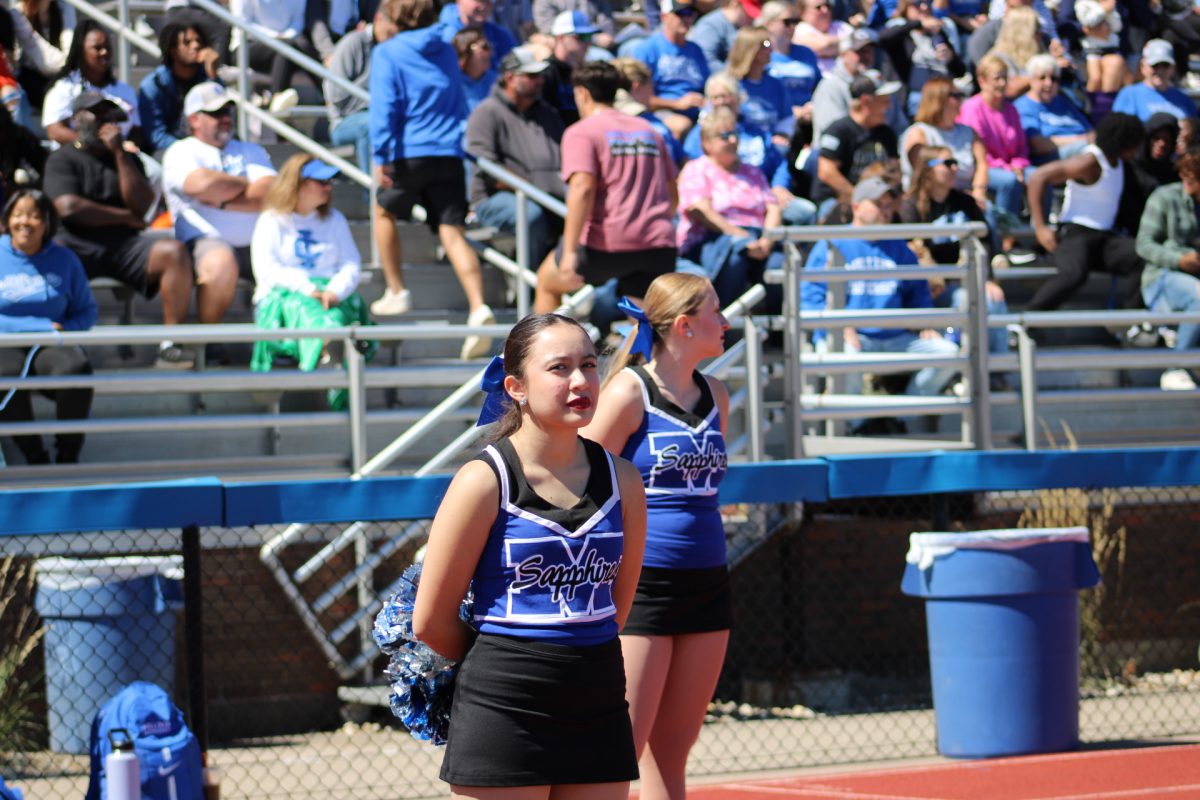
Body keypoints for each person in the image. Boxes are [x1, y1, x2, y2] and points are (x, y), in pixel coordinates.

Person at [411, 312, 646, 799]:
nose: (581, 380)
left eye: (588, 365)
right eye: (559, 368)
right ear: (516, 386)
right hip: (505, 704)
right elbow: (430, 619)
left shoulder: (624, 481)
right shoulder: (483, 481)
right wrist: (508, 663)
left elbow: (617, 607)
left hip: (598, 695)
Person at [579, 272, 731, 800]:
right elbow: (582, 482)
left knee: (672, 753)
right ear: (685, 325)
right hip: (642, 588)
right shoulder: (629, 391)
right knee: (620, 750)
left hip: (709, 585)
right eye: (717, 311)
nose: (727, 322)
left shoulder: (717, 395)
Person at [43, 94, 208, 368]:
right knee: (53, 253)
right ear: (78, 117)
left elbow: (142, 206)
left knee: (174, 252)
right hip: (76, 245)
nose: (106, 124)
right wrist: (123, 216)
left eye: (111, 118)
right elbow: (67, 207)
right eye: (99, 116)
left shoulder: (127, 158)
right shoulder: (62, 158)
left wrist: (120, 154)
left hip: (124, 246)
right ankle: (60, 344)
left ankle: (171, 344)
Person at [370, 0, 494, 354]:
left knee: (383, 211)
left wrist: (381, 156)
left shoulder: (388, 51)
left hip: (411, 152)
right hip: (450, 153)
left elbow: (385, 107)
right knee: (452, 231)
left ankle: (396, 290)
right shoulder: (447, 46)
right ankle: (477, 306)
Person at [802, 175, 960, 427]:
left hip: (894, 336)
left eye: (888, 205)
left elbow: (917, 290)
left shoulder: (898, 246)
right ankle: (856, 426)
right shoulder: (832, 242)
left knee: (949, 353)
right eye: (878, 204)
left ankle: (902, 419)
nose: (886, 211)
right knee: (845, 355)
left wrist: (924, 322)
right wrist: (837, 327)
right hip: (850, 335)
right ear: (856, 207)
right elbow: (810, 298)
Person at [535, 61, 678, 314]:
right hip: (657, 243)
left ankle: (539, 353)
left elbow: (583, 189)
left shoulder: (581, 132)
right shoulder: (649, 130)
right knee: (645, 322)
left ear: (582, 93)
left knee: (547, 283)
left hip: (606, 245)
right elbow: (672, 190)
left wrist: (569, 252)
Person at [249, 155, 374, 405]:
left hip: (331, 294)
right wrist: (307, 288)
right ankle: (331, 354)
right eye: (321, 181)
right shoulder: (272, 219)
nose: (328, 187)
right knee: (315, 312)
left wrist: (335, 290)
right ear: (299, 184)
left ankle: (327, 353)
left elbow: (351, 263)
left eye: (329, 182)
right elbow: (266, 268)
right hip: (286, 295)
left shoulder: (334, 218)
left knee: (334, 311)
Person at [161, 81, 277, 347]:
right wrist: (248, 187)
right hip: (204, 242)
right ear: (194, 119)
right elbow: (200, 184)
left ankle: (281, 343)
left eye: (228, 112)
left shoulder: (251, 149)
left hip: (258, 240)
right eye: (215, 113)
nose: (225, 119)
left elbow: (273, 192)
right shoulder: (181, 150)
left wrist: (222, 200)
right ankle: (209, 340)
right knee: (221, 264)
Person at [0, 188, 95, 464]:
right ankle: (33, 454)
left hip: (49, 343)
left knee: (76, 369)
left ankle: (68, 454)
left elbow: (87, 312)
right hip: (5, 342)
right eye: (18, 215)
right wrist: (34, 325)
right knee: (4, 373)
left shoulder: (65, 260)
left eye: (33, 216)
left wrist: (65, 329)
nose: (24, 223)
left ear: (47, 223)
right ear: (7, 220)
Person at [1026, 111, 1146, 312]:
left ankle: (1131, 322)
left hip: (1104, 237)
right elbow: (1039, 177)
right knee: (1074, 274)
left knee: (1142, 255)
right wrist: (1040, 227)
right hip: (1076, 233)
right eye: (1134, 143)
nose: (1137, 149)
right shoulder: (1090, 161)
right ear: (1123, 141)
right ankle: (1027, 320)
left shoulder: (1119, 163)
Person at [900, 145, 1010, 355]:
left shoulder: (964, 202)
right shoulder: (911, 206)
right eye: (947, 164)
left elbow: (984, 242)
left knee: (993, 299)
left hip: (965, 279)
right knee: (966, 301)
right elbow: (910, 249)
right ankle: (965, 367)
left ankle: (997, 369)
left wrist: (986, 279)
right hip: (931, 288)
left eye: (955, 164)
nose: (954, 169)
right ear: (927, 169)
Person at [466, 48, 565, 268]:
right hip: (495, 198)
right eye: (531, 76)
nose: (539, 81)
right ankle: (531, 291)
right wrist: (533, 191)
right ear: (510, 78)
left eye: (540, 76)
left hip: (550, 196)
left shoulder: (548, 114)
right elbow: (488, 169)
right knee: (530, 215)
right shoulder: (487, 111)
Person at [676, 106, 784, 306]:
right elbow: (701, 211)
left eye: (735, 134)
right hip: (716, 238)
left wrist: (767, 240)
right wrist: (742, 238)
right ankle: (724, 322)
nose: (733, 140)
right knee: (736, 259)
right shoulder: (697, 169)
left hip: (759, 238)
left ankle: (776, 333)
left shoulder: (752, 172)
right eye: (724, 136)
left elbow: (773, 207)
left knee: (778, 265)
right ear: (706, 143)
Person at [1135, 148, 1200, 390]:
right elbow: (1143, 245)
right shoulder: (1164, 197)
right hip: (1161, 279)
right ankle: (1176, 367)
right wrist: (1179, 260)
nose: (1188, 181)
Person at [325, 0, 401, 178]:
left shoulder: (394, 50)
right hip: (345, 121)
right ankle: (373, 195)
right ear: (378, 19)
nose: (394, 36)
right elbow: (335, 95)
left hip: (381, 114)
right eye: (391, 30)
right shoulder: (352, 42)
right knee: (372, 124)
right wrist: (376, 102)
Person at [957, 54, 1032, 222]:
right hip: (984, 167)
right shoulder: (972, 109)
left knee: (1039, 178)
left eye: (1005, 78)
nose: (1002, 83)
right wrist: (1007, 168)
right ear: (982, 80)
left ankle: (1038, 231)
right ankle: (1006, 232)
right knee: (1009, 181)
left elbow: (1021, 147)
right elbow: (978, 152)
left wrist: (1017, 164)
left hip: (1012, 167)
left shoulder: (1011, 109)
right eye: (997, 78)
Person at [41, 19, 140, 146]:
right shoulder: (64, 88)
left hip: (120, 154)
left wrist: (124, 146)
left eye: (107, 48)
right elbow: (55, 131)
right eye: (97, 48)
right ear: (81, 51)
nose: (104, 52)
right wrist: (94, 145)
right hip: (80, 155)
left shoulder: (125, 90)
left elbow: (137, 131)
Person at [814, 71, 902, 212]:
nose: (889, 106)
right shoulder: (838, 130)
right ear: (866, 101)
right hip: (839, 200)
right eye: (884, 100)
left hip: (880, 201)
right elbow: (826, 171)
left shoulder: (886, 133)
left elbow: (895, 170)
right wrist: (859, 199)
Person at [230, 0, 336, 114]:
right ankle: (277, 96)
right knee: (286, 47)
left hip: (287, 44)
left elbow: (297, 22)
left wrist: (283, 37)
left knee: (302, 46)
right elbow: (242, 24)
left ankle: (330, 95)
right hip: (247, 46)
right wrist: (276, 37)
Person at [137, 21, 220, 156]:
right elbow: (156, 136)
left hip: (207, 147)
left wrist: (213, 75)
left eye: (199, 41)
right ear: (173, 51)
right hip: (170, 150)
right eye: (187, 42)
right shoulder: (153, 85)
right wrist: (192, 150)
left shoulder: (207, 78)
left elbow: (223, 113)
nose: (196, 45)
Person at [632, 0, 710, 140]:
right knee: (681, 125)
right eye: (681, 13)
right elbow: (637, 95)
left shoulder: (696, 50)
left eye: (691, 13)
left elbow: (707, 85)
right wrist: (677, 103)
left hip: (698, 111)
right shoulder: (647, 49)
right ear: (664, 17)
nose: (687, 18)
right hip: (660, 111)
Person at [900, 75, 988, 200]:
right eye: (956, 96)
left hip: (966, 199)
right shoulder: (919, 133)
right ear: (939, 100)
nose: (961, 100)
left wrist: (979, 192)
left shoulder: (969, 132)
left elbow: (982, 164)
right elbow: (922, 173)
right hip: (931, 201)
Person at [880, 0, 966, 118]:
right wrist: (918, 24)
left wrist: (951, 57)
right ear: (906, 7)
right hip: (915, 99)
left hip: (943, 97)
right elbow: (883, 38)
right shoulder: (901, 34)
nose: (924, 7)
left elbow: (960, 71)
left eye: (928, 3)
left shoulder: (938, 34)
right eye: (917, 4)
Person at [1013, 53, 1094, 165]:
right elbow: (1038, 145)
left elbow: (1090, 130)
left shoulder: (1063, 101)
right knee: (1090, 150)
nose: (1049, 83)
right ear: (1031, 80)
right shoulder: (1023, 106)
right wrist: (1081, 140)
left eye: (1053, 78)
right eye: (1042, 78)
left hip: (1083, 148)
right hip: (1052, 158)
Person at [757, 1, 820, 137]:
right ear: (769, 24)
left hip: (810, 119)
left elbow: (819, 86)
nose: (792, 27)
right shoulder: (760, 54)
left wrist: (813, 106)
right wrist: (790, 111)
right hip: (777, 120)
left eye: (795, 22)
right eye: (787, 22)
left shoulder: (806, 53)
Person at [611, 56, 687, 166]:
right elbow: (677, 164)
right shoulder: (657, 128)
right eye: (651, 85)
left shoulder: (596, 122)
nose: (652, 92)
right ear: (637, 86)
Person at [1113, 39, 1199, 122]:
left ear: (1173, 68)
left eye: (1165, 65)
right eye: (1155, 65)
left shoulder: (1184, 100)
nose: (1160, 71)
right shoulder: (1129, 95)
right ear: (1143, 66)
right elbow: (1121, 131)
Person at [727, 26, 789, 138]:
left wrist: (782, 135)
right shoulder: (728, 85)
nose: (770, 49)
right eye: (765, 45)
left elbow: (786, 119)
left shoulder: (775, 84)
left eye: (770, 44)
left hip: (771, 148)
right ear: (749, 49)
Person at [540, 10, 599, 126]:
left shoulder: (589, 72)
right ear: (561, 38)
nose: (588, 43)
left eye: (590, 37)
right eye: (582, 37)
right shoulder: (546, 73)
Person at [983, 5, 1043, 98]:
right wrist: (1040, 75)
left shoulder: (1036, 54)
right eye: (1036, 29)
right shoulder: (998, 58)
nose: (1041, 34)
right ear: (1022, 33)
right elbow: (1008, 90)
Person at [437, 0, 518, 68]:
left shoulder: (500, 35)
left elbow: (515, 64)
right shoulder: (442, 37)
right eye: (479, 0)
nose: (484, 6)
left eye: (489, 1)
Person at [689, 0, 757, 76]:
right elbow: (705, 60)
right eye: (748, 14)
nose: (752, 19)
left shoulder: (743, 26)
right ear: (734, 4)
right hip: (718, 82)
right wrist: (735, 75)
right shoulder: (710, 25)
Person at [793, 0, 852, 73]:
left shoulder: (841, 26)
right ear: (802, 13)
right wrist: (848, 45)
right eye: (818, 7)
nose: (825, 10)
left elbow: (859, 45)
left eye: (828, 6)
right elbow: (823, 46)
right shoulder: (799, 30)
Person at [533, 0, 616, 50]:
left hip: (604, 44)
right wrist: (594, 39)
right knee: (601, 56)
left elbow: (607, 26)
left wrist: (607, 38)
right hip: (570, 45)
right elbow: (549, 30)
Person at [452, 27, 499, 114]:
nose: (490, 52)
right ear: (465, 50)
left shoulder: (497, 81)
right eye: (485, 47)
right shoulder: (451, 88)